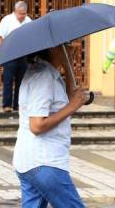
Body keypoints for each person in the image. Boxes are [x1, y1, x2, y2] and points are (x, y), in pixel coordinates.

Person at [13, 46, 86, 208]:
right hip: (44, 162)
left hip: (30, 161)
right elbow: (37, 125)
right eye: (67, 45)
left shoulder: (45, 72)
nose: (72, 48)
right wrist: (72, 107)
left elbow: (68, 98)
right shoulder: (43, 77)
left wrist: (67, 63)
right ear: (54, 48)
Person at [0, 1, 31, 112]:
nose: (22, 16)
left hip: (24, 55)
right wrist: (2, 52)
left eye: (24, 13)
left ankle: (17, 105)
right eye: (20, 14)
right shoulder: (7, 20)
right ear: (15, 12)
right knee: (8, 81)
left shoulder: (29, 21)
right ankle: (7, 105)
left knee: (21, 82)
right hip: (10, 55)